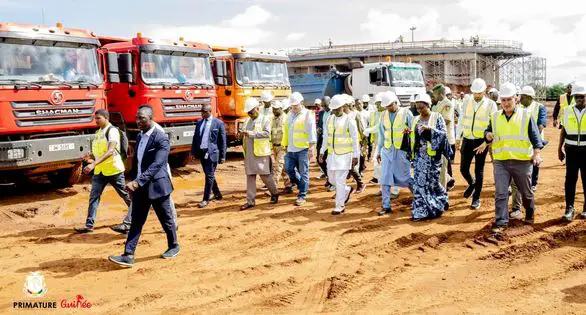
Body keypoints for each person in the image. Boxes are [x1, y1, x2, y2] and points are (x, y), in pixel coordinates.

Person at [109, 106, 179, 267]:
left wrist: (137, 182)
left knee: (166, 219)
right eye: (137, 118)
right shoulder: (140, 137)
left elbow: (157, 164)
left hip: (157, 186)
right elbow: (138, 163)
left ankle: (174, 245)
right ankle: (128, 254)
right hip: (140, 187)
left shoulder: (161, 138)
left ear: (151, 118)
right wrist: (133, 180)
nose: (138, 121)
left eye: (142, 118)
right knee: (136, 221)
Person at [476, 83, 543, 233]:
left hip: (522, 161)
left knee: (526, 192)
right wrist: (487, 135)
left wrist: (537, 154)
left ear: (516, 99)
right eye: (503, 100)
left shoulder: (526, 115)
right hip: (501, 161)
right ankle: (501, 221)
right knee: (501, 192)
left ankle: (530, 214)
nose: (506, 103)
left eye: (509, 100)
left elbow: (535, 137)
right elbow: (488, 131)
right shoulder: (494, 116)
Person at [74, 109, 131, 233]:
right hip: (100, 171)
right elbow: (99, 152)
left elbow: (110, 151)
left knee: (125, 195)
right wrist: (90, 157)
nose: (96, 121)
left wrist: (93, 164)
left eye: (99, 118)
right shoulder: (99, 132)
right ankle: (89, 225)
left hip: (113, 170)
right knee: (94, 197)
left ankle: (135, 215)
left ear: (106, 118)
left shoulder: (112, 131)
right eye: (95, 118)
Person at [411, 93, 451, 221]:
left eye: (422, 107)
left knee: (432, 183)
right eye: (417, 108)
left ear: (429, 106)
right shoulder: (415, 119)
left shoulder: (437, 117)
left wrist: (430, 130)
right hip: (419, 158)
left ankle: (440, 201)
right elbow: (413, 137)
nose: (420, 110)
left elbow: (443, 136)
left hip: (433, 158)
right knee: (419, 185)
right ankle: (421, 211)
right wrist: (408, 133)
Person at [459, 78, 497, 209]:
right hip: (467, 138)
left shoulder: (491, 104)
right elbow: (462, 119)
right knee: (463, 168)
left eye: (479, 93)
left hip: (481, 141)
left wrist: (486, 143)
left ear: (484, 91)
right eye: (475, 93)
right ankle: (472, 183)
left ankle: (476, 198)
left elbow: (493, 126)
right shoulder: (466, 101)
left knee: (478, 169)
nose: (477, 96)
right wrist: (459, 137)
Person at [320, 95, 360, 215]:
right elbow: (326, 137)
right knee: (332, 179)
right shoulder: (330, 119)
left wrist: (355, 155)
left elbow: (354, 139)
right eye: (334, 109)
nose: (335, 111)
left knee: (340, 180)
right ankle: (347, 190)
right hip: (332, 155)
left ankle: (340, 205)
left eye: (337, 109)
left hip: (345, 155)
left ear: (343, 107)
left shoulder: (349, 120)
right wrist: (322, 152)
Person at [377, 91, 414, 215]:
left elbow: (414, 132)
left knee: (406, 177)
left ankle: (420, 198)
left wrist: (412, 150)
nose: (388, 108)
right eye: (386, 106)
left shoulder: (406, 113)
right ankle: (386, 206)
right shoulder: (383, 115)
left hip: (401, 151)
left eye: (390, 105)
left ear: (395, 102)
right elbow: (381, 135)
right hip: (387, 150)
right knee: (385, 177)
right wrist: (378, 151)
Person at [240, 98, 279, 210]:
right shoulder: (247, 121)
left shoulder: (265, 119)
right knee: (250, 176)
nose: (250, 114)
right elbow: (244, 132)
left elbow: (267, 134)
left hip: (261, 153)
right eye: (248, 113)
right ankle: (250, 201)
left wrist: (251, 134)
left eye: (251, 112)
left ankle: (275, 193)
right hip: (249, 153)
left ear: (257, 109)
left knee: (265, 176)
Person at [282, 92, 317, 206]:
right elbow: (286, 131)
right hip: (291, 149)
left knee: (304, 172)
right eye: (292, 106)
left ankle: (302, 195)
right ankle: (300, 184)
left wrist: (311, 147)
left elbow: (312, 131)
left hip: (303, 149)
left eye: (295, 105)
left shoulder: (308, 114)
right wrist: (286, 145)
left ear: (301, 103)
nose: (294, 108)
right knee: (288, 169)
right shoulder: (289, 115)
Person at [559, 82, 586, 221]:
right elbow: (563, 130)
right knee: (570, 180)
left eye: (582, 96)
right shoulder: (568, 110)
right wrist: (559, 148)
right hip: (571, 150)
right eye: (577, 97)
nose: (580, 99)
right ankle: (569, 207)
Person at [190, 104, 226, 208]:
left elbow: (222, 141)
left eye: (203, 112)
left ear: (209, 112)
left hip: (212, 154)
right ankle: (217, 194)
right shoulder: (199, 122)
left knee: (209, 176)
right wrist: (193, 152)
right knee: (209, 175)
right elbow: (195, 138)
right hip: (202, 153)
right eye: (201, 112)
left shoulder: (218, 123)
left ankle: (205, 199)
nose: (201, 114)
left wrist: (223, 156)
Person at [432, 84, 456, 191]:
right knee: (442, 163)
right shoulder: (436, 105)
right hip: (438, 138)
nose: (434, 97)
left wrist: (431, 127)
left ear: (441, 94)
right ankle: (449, 181)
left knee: (445, 163)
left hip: (446, 138)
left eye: (435, 95)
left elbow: (446, 120)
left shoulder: (447, 104)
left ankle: (447, 184)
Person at [343, 94, 366, 193]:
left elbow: (361, 130)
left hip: (354, 143)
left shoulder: (356, 115)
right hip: (343, 145)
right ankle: (342, 189)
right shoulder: (340, 116)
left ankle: (360, 183)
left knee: (351, 165)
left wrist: (364, 144)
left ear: (348, 105)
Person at [364, 92, 385, 184]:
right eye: (376, 104)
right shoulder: (373, 114)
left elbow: (378, 127)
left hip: (385, 141)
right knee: (377, 160)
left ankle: (379, 178)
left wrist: (368, 130)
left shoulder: (386, 113)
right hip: (377, 140)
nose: (377, 106)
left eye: (379, 104)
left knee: (380, 161)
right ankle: (377, 178)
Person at [271, 100, 288, 188]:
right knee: (283, 168)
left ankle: (273, 188)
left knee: (277, 167)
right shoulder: (272, 119)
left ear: (281, 109)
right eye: (273, 109)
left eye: (276, 109)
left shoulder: (286, 119)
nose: (274, 111)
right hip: (275, 147)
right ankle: (289, 184)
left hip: (283, 147)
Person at [316, 97, 330, 180]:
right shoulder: (321, 113)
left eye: (325, 105)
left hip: (331, 140)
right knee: (319, 159)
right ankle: (328, 175)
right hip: (322, 139)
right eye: (323, 105)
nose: (324, 107)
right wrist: (318, 129)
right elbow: (319, 124)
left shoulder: (334, 113)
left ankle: (331, 180)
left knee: (330, 161)